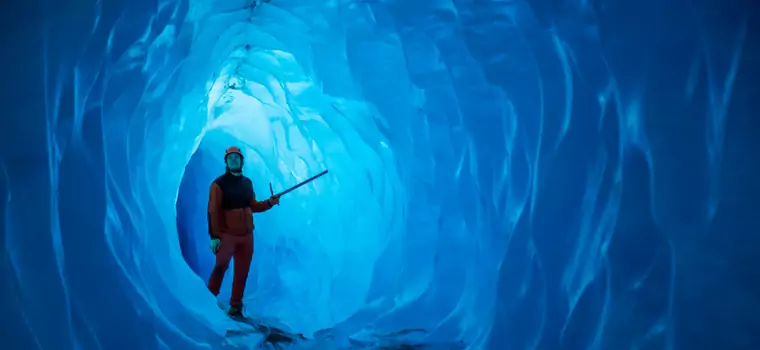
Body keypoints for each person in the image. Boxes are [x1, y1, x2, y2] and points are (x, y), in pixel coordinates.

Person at [207, 146, 280, 318]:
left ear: (241, 161)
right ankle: (208, 300)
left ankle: (236, 306)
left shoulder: (247, 183)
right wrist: (215, 236)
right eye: (230, 157)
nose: (233, 159)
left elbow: (253, 206)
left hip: (247, 236)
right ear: (226, 162)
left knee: (242, 272)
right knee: (220, 266)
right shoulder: (218, 184)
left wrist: (269, 202)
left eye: (236, 157)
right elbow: (213, 210)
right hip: (227, 236)